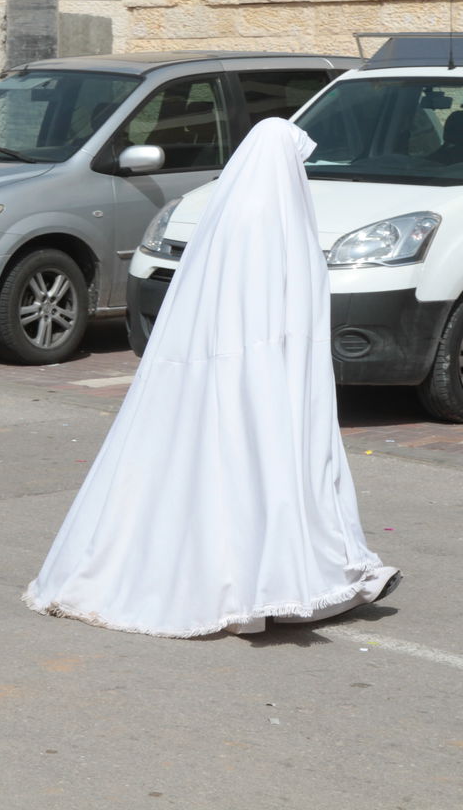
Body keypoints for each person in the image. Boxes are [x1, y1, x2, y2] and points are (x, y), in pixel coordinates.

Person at [23, 118, 400, 638]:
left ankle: (292, 577)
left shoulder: (226, 214)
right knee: (272, 473)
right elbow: (289, 308)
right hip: (263, 371)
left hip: (222, 366)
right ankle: (273, 582)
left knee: (211, 474)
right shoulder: (280, 217)